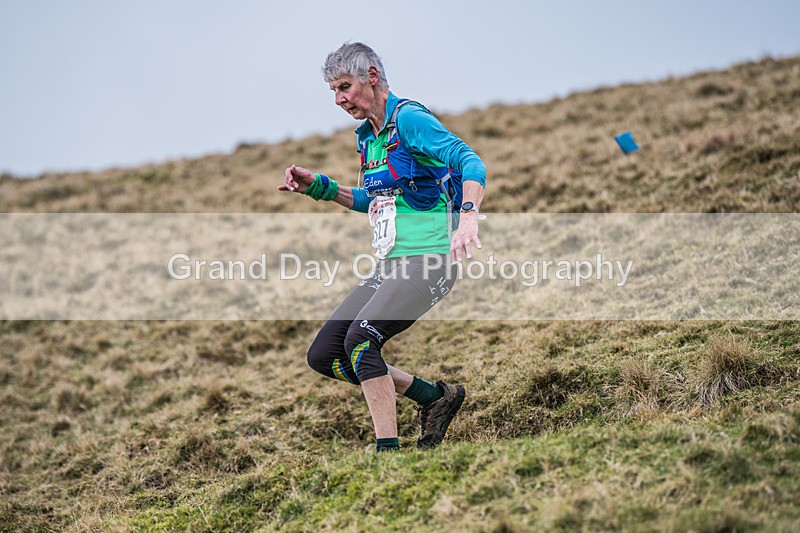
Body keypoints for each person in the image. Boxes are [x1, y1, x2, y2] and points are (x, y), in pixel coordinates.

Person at [279, 42, 486, 452]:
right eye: (333, 91)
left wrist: (468, 216)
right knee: (325, 354)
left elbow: (470, 161)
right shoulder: (368, 138)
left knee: (361, 340)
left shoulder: (408, 119)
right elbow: (373, 200)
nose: (339, 100)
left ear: (371, 77)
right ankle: (434, 397)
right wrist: (319, 187)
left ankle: (387, 453)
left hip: (430, 260)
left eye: (344, 87)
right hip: (391, 264)